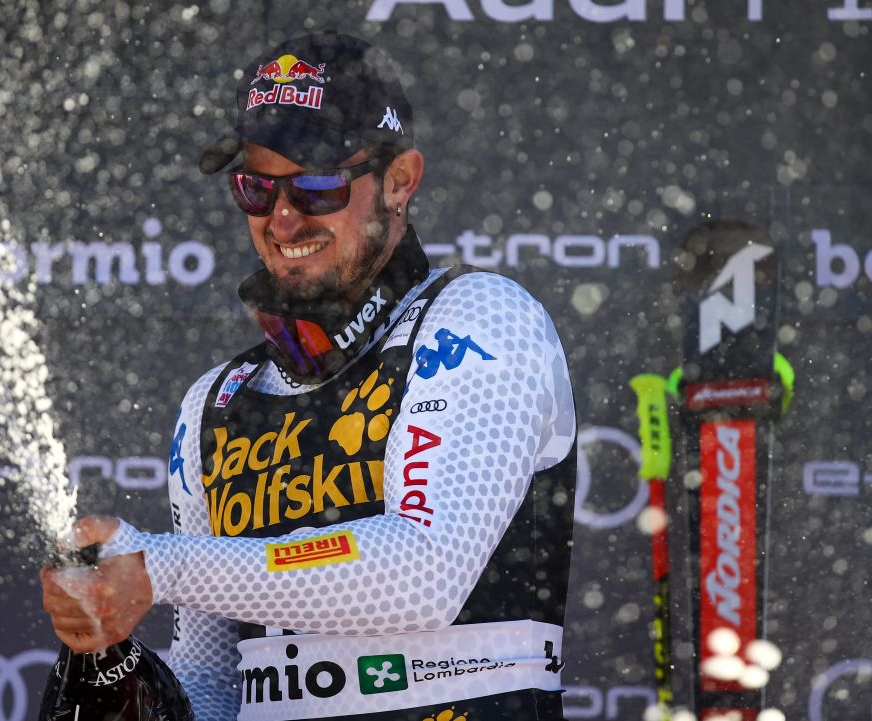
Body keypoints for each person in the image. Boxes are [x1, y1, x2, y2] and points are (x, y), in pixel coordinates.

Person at [42, 30, 578, 721]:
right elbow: (213, 675)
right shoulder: (214, 401)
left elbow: (423, 572)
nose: (282, 217)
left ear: (400, 180)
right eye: (256, 188)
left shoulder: (479, 318)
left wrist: (160, 567)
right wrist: (118, 665)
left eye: (318, 185)